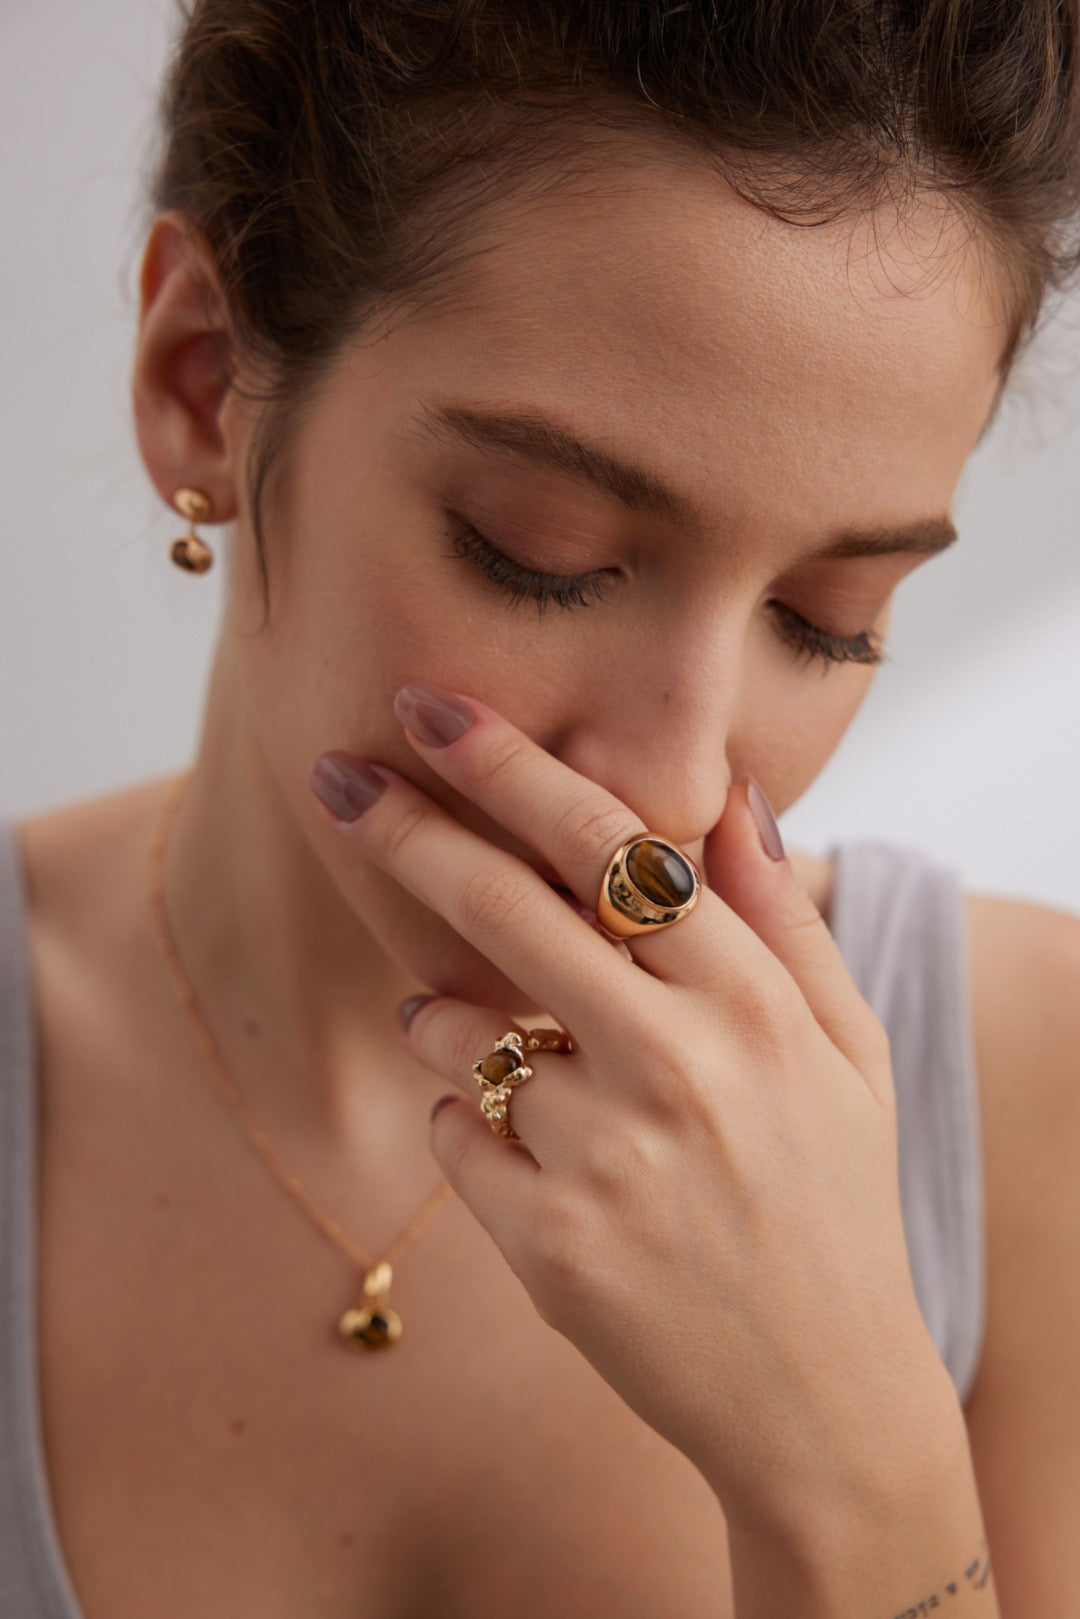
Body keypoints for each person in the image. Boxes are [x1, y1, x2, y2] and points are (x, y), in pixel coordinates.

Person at [2, 1, 1079, 1613]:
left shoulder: (1033, 1098)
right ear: (201, 380)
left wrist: (863, 1485)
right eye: (545, 552)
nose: (676, 785)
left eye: (828, 617)